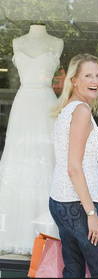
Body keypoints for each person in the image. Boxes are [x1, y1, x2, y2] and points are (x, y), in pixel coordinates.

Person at [49, 53, 98, 278]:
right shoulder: (81, 111)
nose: (95, 81)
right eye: (88, 75)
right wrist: (91, 213)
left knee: (74, 270)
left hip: (61, 200)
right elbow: (74, 167)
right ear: (74, 80)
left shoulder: (67, 108)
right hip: (78, 204)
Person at [0, 24, 63, 254]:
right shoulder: (17, 42)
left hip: (46, 106)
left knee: (46, 162)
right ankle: (16, 231)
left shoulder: (57, 43)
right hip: (24, 105)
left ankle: (46, 232)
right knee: (19, 162)